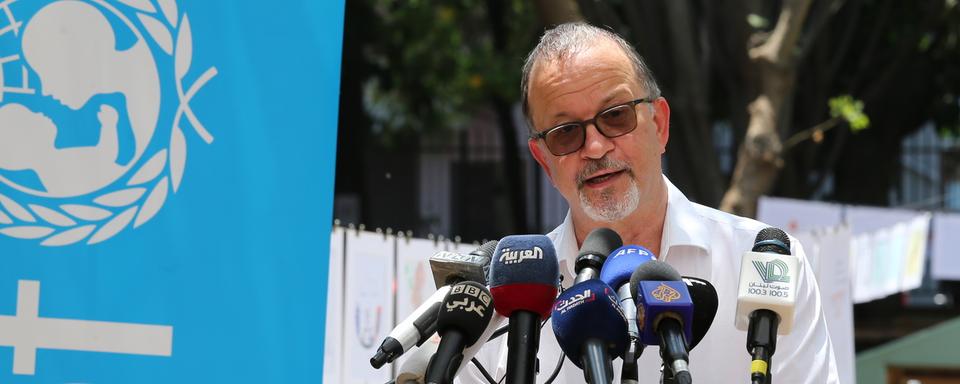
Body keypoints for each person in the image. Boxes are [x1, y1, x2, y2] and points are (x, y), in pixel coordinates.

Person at [459, 22, 839, 383]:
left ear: (659, 125)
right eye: (565, 133)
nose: (595, 147)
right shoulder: (505, 304)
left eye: (616, 116)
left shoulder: (762, 265)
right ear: (544, 160)